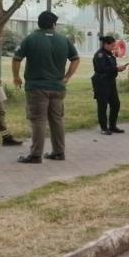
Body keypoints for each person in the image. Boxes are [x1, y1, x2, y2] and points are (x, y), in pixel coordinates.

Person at [12, 11, 80, 163]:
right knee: (57, 119)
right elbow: (75, 59)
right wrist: (67, 76)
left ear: (39, 23)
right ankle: (59, 152)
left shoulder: (30, 39)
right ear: (53, 24)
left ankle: (36, 154)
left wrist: (16, 76)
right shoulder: (64, 40)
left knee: (38, 120)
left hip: (37, 87)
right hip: (58, 86)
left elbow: (16, 58)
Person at [92, 36, 128, 135]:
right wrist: (117, 68)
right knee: (102, 106)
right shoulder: (100, 55)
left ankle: (112, 126)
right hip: (101, 82)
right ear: (106, 44)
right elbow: (101, 68)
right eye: (112, 45)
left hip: (111, 82)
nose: (114, 47)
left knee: (116, 104)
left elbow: (111, 67)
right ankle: (104, 128)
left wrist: (118, 69)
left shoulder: (109, 54)